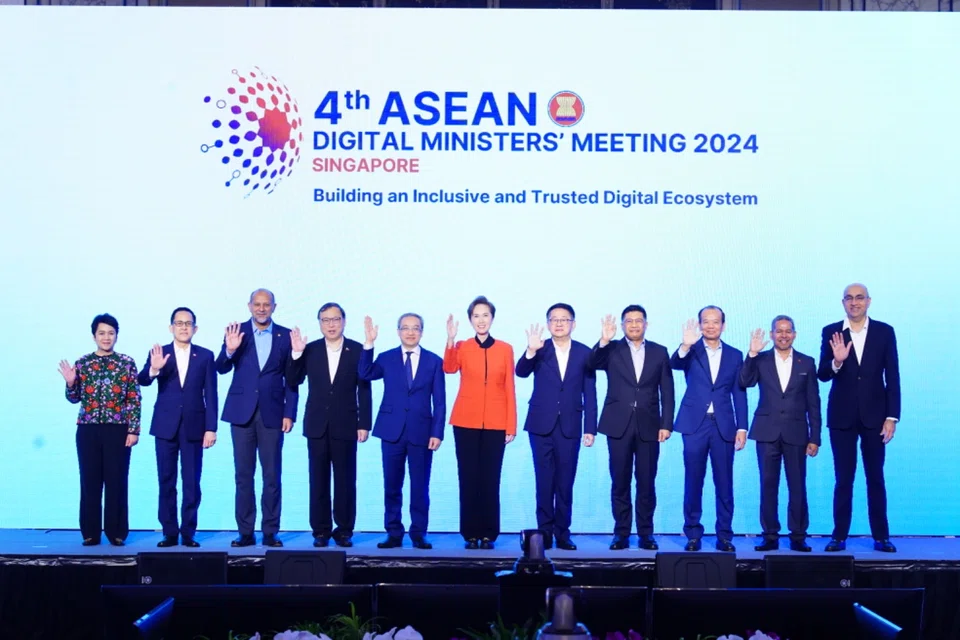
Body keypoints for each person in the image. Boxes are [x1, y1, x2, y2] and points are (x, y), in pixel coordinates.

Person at [818, 283, 900, 553]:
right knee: (843, 479)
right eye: (849, 298)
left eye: (859, 298)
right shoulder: (831, 331)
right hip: (841, 416)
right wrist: (837, 361)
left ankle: (881, 536)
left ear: (868, 301)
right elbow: (822, 374)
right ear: (843, 302)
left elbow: (893, 375)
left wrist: (892, 416)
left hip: (876, 417)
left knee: (875, 477)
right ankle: (838, 536)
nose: (854, 302)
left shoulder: (884, 331)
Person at [216, 289, 298, 548]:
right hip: (241, 413)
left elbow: (292, 379)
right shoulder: (236, 331)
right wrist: (230, 350)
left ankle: (270, 531)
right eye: (257, 304)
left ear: (274, 306)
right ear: (249, 306)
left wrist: (289, 413)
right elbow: (221, 367)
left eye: (266, 304)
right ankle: (245, 532)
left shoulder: (285, 335)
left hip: (273, 413)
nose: (262, 309)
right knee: (243, 475)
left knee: (272, 475)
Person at [358, 313, 445, 550]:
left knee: (420, 486)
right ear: (398, 331)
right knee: (392, 485)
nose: (410, 332)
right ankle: (393, 532)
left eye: (415, 328)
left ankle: (419, 533)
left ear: (422, 332)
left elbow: (439, 402)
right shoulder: (386, 358)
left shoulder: (434, 361)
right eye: (405, 328)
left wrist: (437, 432)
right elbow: (364, 374)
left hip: (422, 432)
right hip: (391, 431)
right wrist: (369, 344)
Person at [591, 306, 675, 551]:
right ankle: (621, 533)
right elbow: (591, 363)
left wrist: (666, 424)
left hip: (650, 425)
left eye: (639, 321)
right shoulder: (612, 349)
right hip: (618, 424)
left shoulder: (660, 352)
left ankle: (646, 533)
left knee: (647, 482)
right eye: (629, 321)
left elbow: (667, 391)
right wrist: (603, 341)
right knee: (620, 481)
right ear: (622, 325)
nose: (635, 325)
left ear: (646, 324)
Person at [288, 303, 371, 548]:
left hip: (347, 424)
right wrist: (296, 355)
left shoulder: (357, 349)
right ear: (320, 323)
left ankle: (344, 530)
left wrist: (364, 423)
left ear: (344, 321)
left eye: (335, 319)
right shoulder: (310, 349)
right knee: (318, 480)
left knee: (345, 480)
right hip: (317, 425)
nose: (331, 324)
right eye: (325, 320)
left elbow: (364, 389)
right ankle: (321, 531)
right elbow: (293, 380)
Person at [516, 303, 597, 551]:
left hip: (570, 426)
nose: (559, 323)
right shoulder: (539, 349)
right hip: (540, 425)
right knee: (544, 481)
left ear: (574, 324)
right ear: (548, 324)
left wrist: (590, 428)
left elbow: (590, 392)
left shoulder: (585, 352)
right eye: (554, 319)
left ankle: (563, 533)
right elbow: (521, 372)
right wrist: (530, 351)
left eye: (564, 319)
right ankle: (544, 533)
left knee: (565, 482)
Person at [137, 307, 219, 548]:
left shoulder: (205, 356)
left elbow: (211, 394)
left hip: (194, 426)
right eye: (179, 323)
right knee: (166, 480)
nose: (184, 327)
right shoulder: (159, 352)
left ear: (195, 328)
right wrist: (154, 369)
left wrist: (211, 428)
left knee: (192, 482)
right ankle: (169, 532)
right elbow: (142, 380)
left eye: (188, 323)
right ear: (171, 327)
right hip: (165, 426)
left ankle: (188, 532)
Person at [669, 306, 748, 553]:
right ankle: (693, 533)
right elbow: (675, 363)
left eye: (715, 322)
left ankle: (724, 535)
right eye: (706, 321)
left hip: (724, 425)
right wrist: (684, 345)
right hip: (695, 424)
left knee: (724, 482)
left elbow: (739, 392)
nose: (710, 326)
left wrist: (742, 427)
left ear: (723, 325)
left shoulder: (734, 355)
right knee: (693, 480)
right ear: (700, 324)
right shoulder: (691, 350)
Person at [58, 313, 141, 547]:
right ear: (94, 336)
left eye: (111, 333)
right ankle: (90, 533)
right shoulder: (83, 363)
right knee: (89, 481)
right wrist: (71, 383)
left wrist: (133, 430)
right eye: (102, 333)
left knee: (117, 481)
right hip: (88, 429)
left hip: (118, 429)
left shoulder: (126, 362)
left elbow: (134, 398)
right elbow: (73, 398)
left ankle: (116, 532)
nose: (106, 337)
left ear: (116, 336)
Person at [740, 316, 822, 552]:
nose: (783, 335)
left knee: (797, 486)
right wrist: (752, 354)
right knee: (768, 485)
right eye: (779, 331)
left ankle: (798, 536)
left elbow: (813, 402)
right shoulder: (761, 359)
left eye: (788, 331)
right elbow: (745, 381)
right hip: (767, 432)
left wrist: (815, 437)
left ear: (794, 334)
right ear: (772, 334)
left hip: (797, 433)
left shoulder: (807, 362)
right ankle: (769, 535)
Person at [444, 295, 517, 550]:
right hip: (465, 421)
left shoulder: (505, 349)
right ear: (470, 320)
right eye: (476, 316)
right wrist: (450, 339)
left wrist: (511, 425)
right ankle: (470, 533)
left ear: (492, 318)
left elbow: (509, 387)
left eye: (485, 315)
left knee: (490, 478)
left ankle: (488, 533)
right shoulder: (462, 346)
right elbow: (449, 368)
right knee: (468, 477)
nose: (481, 320)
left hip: (496, 422)